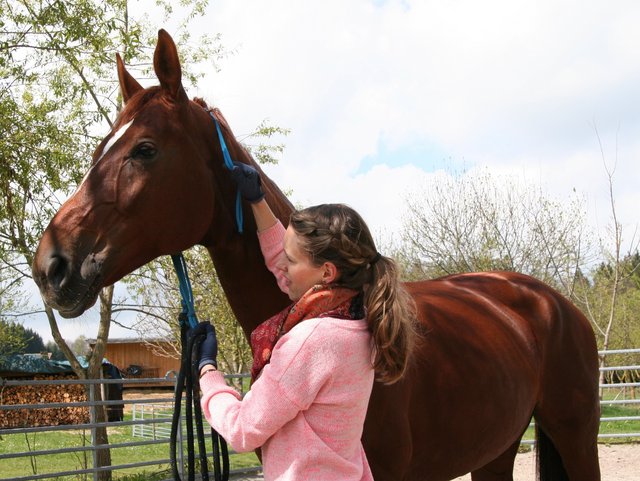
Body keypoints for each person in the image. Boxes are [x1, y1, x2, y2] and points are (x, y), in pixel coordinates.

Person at [197, 162, 417, 481]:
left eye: (291, 259)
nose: (281, 266)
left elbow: (243, 429)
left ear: (326, 273)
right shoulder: (359, 314)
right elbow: (282, 261)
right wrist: (258, 201)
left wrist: (207, 372)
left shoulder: (311, 341)